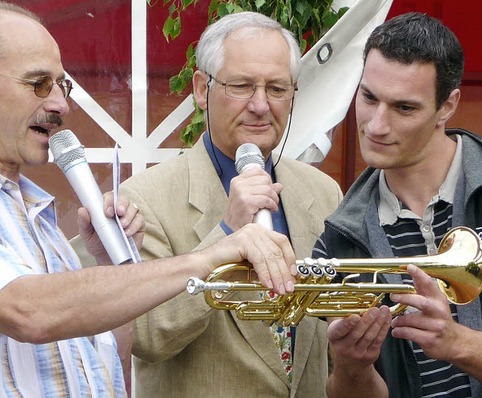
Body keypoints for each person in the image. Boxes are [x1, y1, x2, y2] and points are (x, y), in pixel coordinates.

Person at [0, 3, 300, 397]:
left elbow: (109, 369)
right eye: (39, 83)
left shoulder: (32, 214)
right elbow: (28, 312)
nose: (61, 105)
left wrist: (113, 263)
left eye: (63, 86)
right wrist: (210, 256)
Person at [317, 12, 482, 398]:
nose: (375, 125)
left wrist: (458, 343)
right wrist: (353, 367)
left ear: (448, 106)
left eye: (404, 108)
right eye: (368, 97)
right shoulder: (337, 240)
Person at [117, 11, 342, 398]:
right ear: (201, 89)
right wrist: (224, 234)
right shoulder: (144, 198)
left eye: (276, 88)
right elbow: (147, 335)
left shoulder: (324, 193)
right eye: (241, 86)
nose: (260, 105)